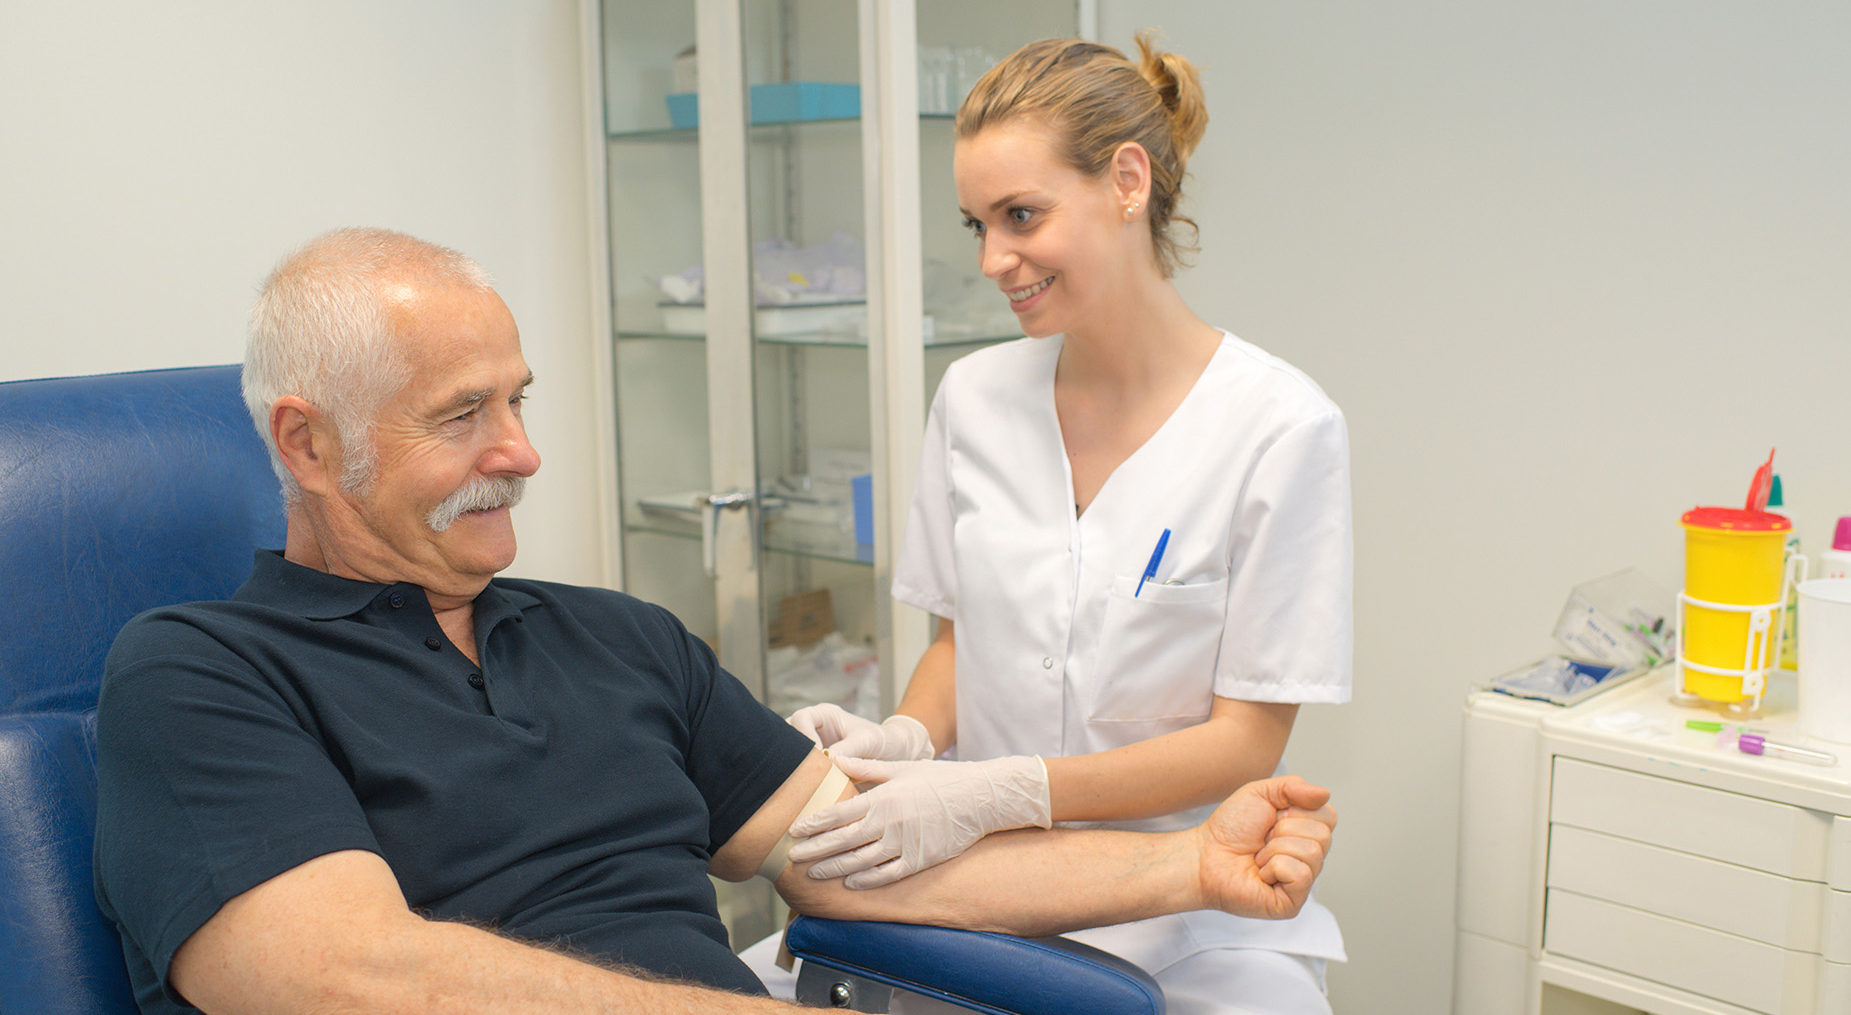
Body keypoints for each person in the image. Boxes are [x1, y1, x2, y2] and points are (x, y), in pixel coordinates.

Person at [91, 226, 1339, 1015]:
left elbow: (873, 862)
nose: (522, 454)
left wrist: (1189, 869)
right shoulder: (202, 672)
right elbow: (340, 978)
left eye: (520, 403)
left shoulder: (615, 638)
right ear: (309, 443)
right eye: (462, 416)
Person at [766, 36, 1354, 1014]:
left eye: (1021, 216)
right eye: (978, 225)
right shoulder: (974, 397)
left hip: (1187, 901)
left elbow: (1245, 741)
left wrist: (1007, 789)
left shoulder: (1281, 429)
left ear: (1127, 181)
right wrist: (908, 739)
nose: (995, 259)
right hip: (975, 885)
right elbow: (960, 645)